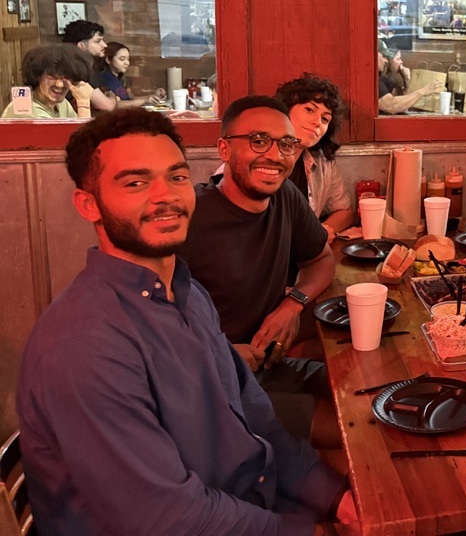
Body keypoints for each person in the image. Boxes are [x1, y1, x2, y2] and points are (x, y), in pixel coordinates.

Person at [16, 108, 357, 535]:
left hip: (243, 503)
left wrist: (336, 498)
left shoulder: (188, 293)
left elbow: (259, 423)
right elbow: (168, 520)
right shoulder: (83, 348)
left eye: (176, 177)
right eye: (136, 182)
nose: (166, 196)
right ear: (89, 205)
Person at [179, 95, 336, 436]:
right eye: (259, 141)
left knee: (362, 391)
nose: (275, 156)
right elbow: (149, 331)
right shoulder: (187, 219)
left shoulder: (285, 197)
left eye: (286, 144)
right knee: (349, 428)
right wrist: (220, 354)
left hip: (270, 368)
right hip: (213, 390)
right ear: (224, 150)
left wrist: (293, 304)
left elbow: (322, 259)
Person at [276, 73, 355, 243]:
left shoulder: (321, 161)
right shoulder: (258, 160)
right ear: (285, 109)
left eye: (325, 119)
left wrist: (321, 232)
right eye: (309, 110)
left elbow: (345, 211)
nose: (318, 122)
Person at [2, 45, 93, 119]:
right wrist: (83, 103)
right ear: (37, 75)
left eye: (66, 78)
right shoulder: (24, 110)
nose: (59, 84)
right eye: (52, 77)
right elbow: (84, 136)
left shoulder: (62, 104)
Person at [62, 19, 118, 112]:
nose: (104, 45)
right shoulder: (79, 70)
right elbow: (107, 106)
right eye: (97, 41)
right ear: (81, 45)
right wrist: (112, 96)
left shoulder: (88, 66)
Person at [377, 41, 442, 114]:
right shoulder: (380, 80)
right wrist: (423, 91)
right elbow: (392, 106)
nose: (386, 60)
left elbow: (402, 104)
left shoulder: (385, 79)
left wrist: (406, 79)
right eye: (398, 59)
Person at [95, 41, 163, 107]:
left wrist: (151, 97)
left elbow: (129, 100)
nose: (127, 63)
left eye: (128, 59)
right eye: (122, 59)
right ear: (108, 60)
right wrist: (144, 100)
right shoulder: (103, 80)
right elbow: (114, 105)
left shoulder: (120, 79)